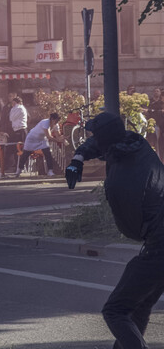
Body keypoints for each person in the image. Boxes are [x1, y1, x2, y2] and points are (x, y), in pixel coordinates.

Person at [65, 112, 164, 349]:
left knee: (115, 310)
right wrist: (79, 156)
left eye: (95, 136)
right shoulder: (137, 145)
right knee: (137, 306)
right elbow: (101, 144)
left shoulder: (125, 180)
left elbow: (130, 227)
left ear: (105, 142)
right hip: (159, 243)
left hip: (159, 246)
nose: (92, 140)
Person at [16, 113, 62, 177]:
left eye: (58, 120)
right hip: (32, 138)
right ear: (52, 119)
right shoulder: (45, 122)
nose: (57, 122)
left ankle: (50, 171)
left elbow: (58, 136)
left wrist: (63, 138)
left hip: (42, 139)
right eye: (56, 120)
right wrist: (58, 140)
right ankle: (19, 170)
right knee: (25, 154)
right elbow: (49, 136)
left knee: (48, 153)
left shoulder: (56, 125)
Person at [147, 88, 164, 159]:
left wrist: (149, 110)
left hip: (161, 126)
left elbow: (160, 111)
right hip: (157, 126)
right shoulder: (152, 102)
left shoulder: (160, 103)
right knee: (157, 143)